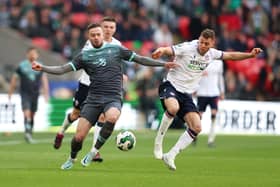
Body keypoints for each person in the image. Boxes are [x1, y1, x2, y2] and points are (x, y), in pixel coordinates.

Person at [31, 23, 177, 170]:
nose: (96, 37)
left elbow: (139, 59)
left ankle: (94, 151)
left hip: (113, 97)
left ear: (103, 35)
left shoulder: (116, 49)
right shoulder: (84, 56)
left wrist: (162, 65)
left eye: (98, 34)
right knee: (78, 137)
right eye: (92, 35)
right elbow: (63, 69)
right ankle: (72, 158)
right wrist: (43, 68)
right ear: (89, 37)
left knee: (112, 117)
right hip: (93, 99)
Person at [152, 28, 262, 171]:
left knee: (197, 127)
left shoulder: (212, 54)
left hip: (186, 94)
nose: (203, 45)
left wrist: (250, 55)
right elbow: (169, 49)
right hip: (171, 85)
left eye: (206, 44)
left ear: (212, 43)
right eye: (201, 42)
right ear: (198, 39)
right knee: (173, 108)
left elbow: (231, 55)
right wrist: (160, 50)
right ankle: (158, 142)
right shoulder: (188, 47)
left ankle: (171, 155)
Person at [53, 17, 122, 162]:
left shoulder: (117, 45)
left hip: (104, 88)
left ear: (115, 29)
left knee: (103, 116)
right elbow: (84, 61)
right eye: (106, 27)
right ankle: (61, 132)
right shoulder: (91, 43)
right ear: (101, 29)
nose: (108, 30)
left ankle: (94, 151)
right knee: (76, 114)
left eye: (111, 27)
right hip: (86, 84)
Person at [8, 47, 49, 143]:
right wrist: (10, 91)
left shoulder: (40, 66)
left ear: (37, 55)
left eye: (34, 53)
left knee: (32, 114)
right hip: (24, 92)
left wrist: (46, 93)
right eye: (30, 53)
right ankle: (27, 133)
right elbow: (14, 79)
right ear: (27, 54)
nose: (32, 55)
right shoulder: (22, 66)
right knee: (26, 112)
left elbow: (44, 80)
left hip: (35, 93)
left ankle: (29, 132)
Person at [195, 59, 225, 147]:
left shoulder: (219, 63)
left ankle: (211, 140)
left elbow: (220, 78)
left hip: (214, 93)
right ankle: (194, 134)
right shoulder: (200, 60)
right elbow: (194, 74)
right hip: (202, 92)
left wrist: (222, 91)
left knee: (214, 115)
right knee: (199, 116)